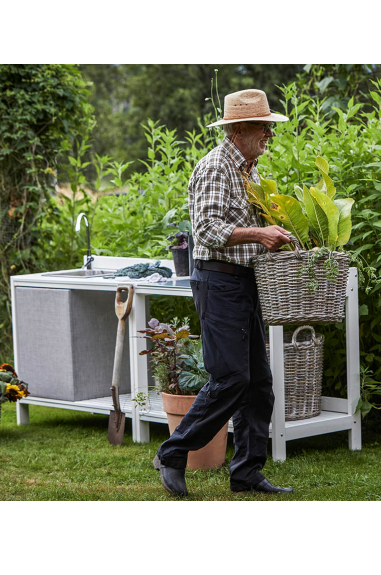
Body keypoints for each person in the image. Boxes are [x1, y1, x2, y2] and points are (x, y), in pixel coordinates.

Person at [153, 88, 295, 496]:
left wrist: (279, 234)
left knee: (259, 384)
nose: (269, 135)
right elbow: (208, 232)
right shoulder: (216, 167)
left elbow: (245, 233)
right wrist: (259, 233)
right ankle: (174, 452)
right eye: (263, 128)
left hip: (243, 280)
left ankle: (247, 473)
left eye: (270, 128)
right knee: (231, 377)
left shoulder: (249, 171)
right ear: (239, 129)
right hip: (218, 281)